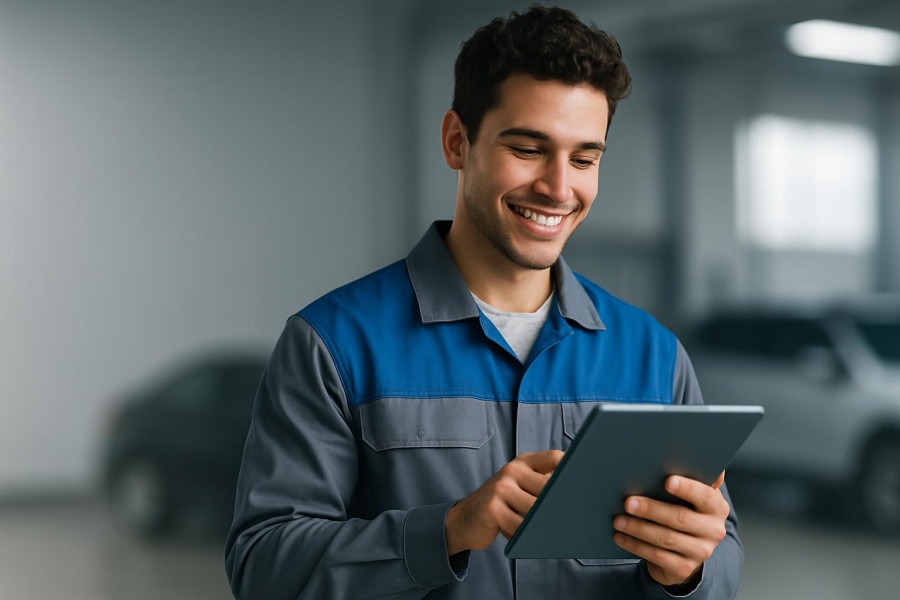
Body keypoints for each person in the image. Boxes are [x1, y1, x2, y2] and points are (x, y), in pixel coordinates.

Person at [225, 5, 741, 599]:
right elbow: (263, 569)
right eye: (527, 149)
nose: (558, 187)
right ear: (456, 142)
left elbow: (720, 556)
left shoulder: (654, 358)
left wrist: (689, 572)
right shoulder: (334, 346)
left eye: (584, 158)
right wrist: (449, 529)